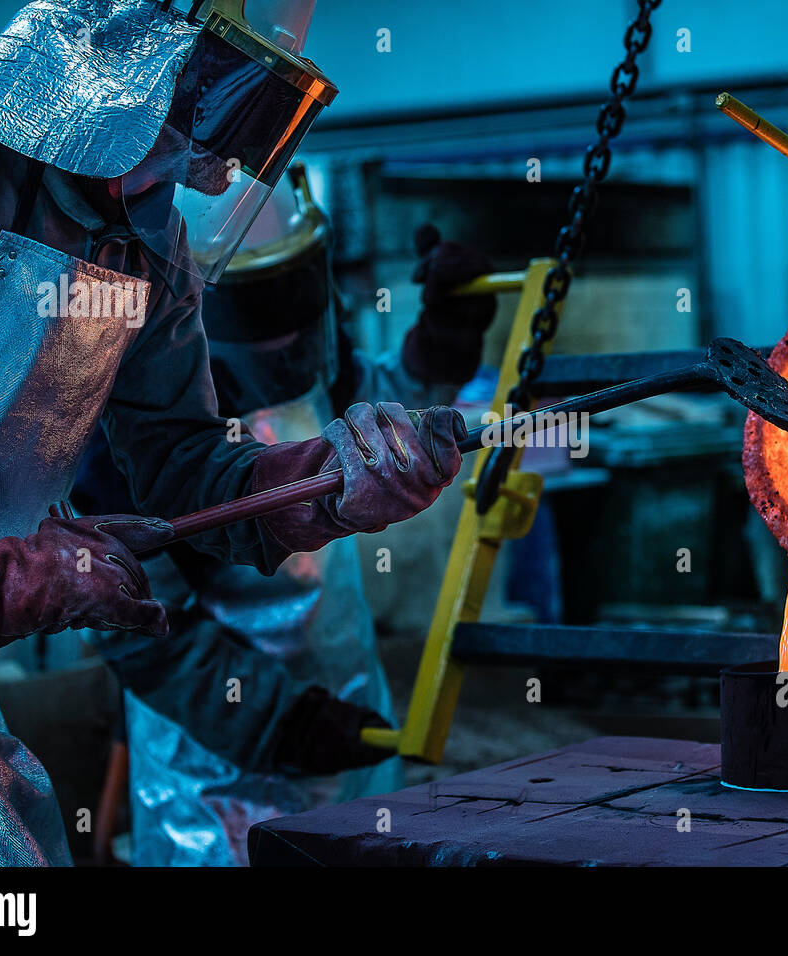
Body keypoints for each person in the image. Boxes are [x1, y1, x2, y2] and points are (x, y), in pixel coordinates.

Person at [0, 0, 464, 865]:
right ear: (110, 60)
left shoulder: (147, 250)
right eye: (207, 108)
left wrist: (330, 488)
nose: (217, 175)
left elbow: (185, 464)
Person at [76, 165, 497, 864]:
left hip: (351, 715)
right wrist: (275, 721)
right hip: (219, 773)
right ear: (186, 305)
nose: (283, 340)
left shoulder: (315, 370)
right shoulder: (128, 441)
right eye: (256, 307)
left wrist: (442, 342)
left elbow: (376, 401)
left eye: (290, 294)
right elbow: (143, 632)